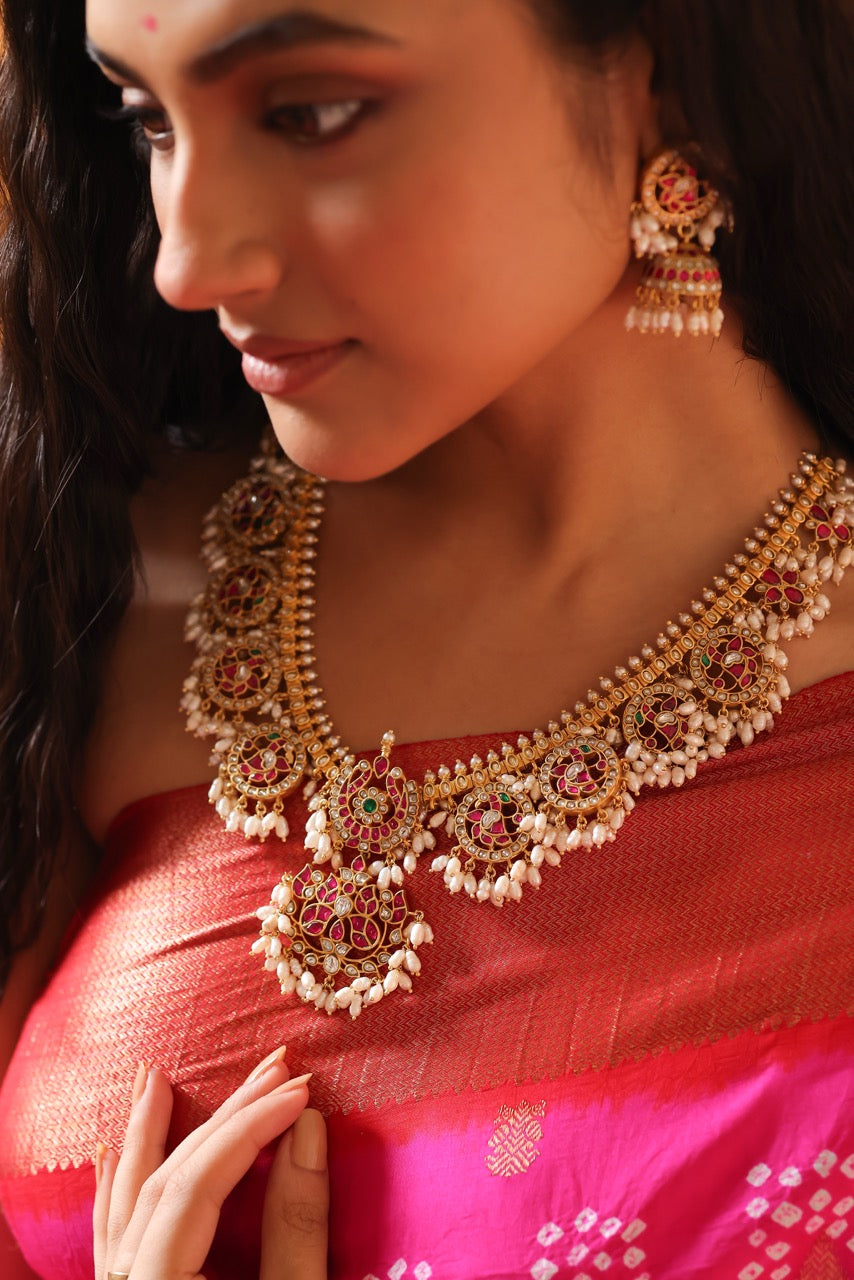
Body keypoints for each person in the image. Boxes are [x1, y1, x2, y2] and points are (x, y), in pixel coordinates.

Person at [0, 0, 852, 1277]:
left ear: (663, 76)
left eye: (309, 114)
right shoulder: (78, 591)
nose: (188, 258)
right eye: (147, 119)